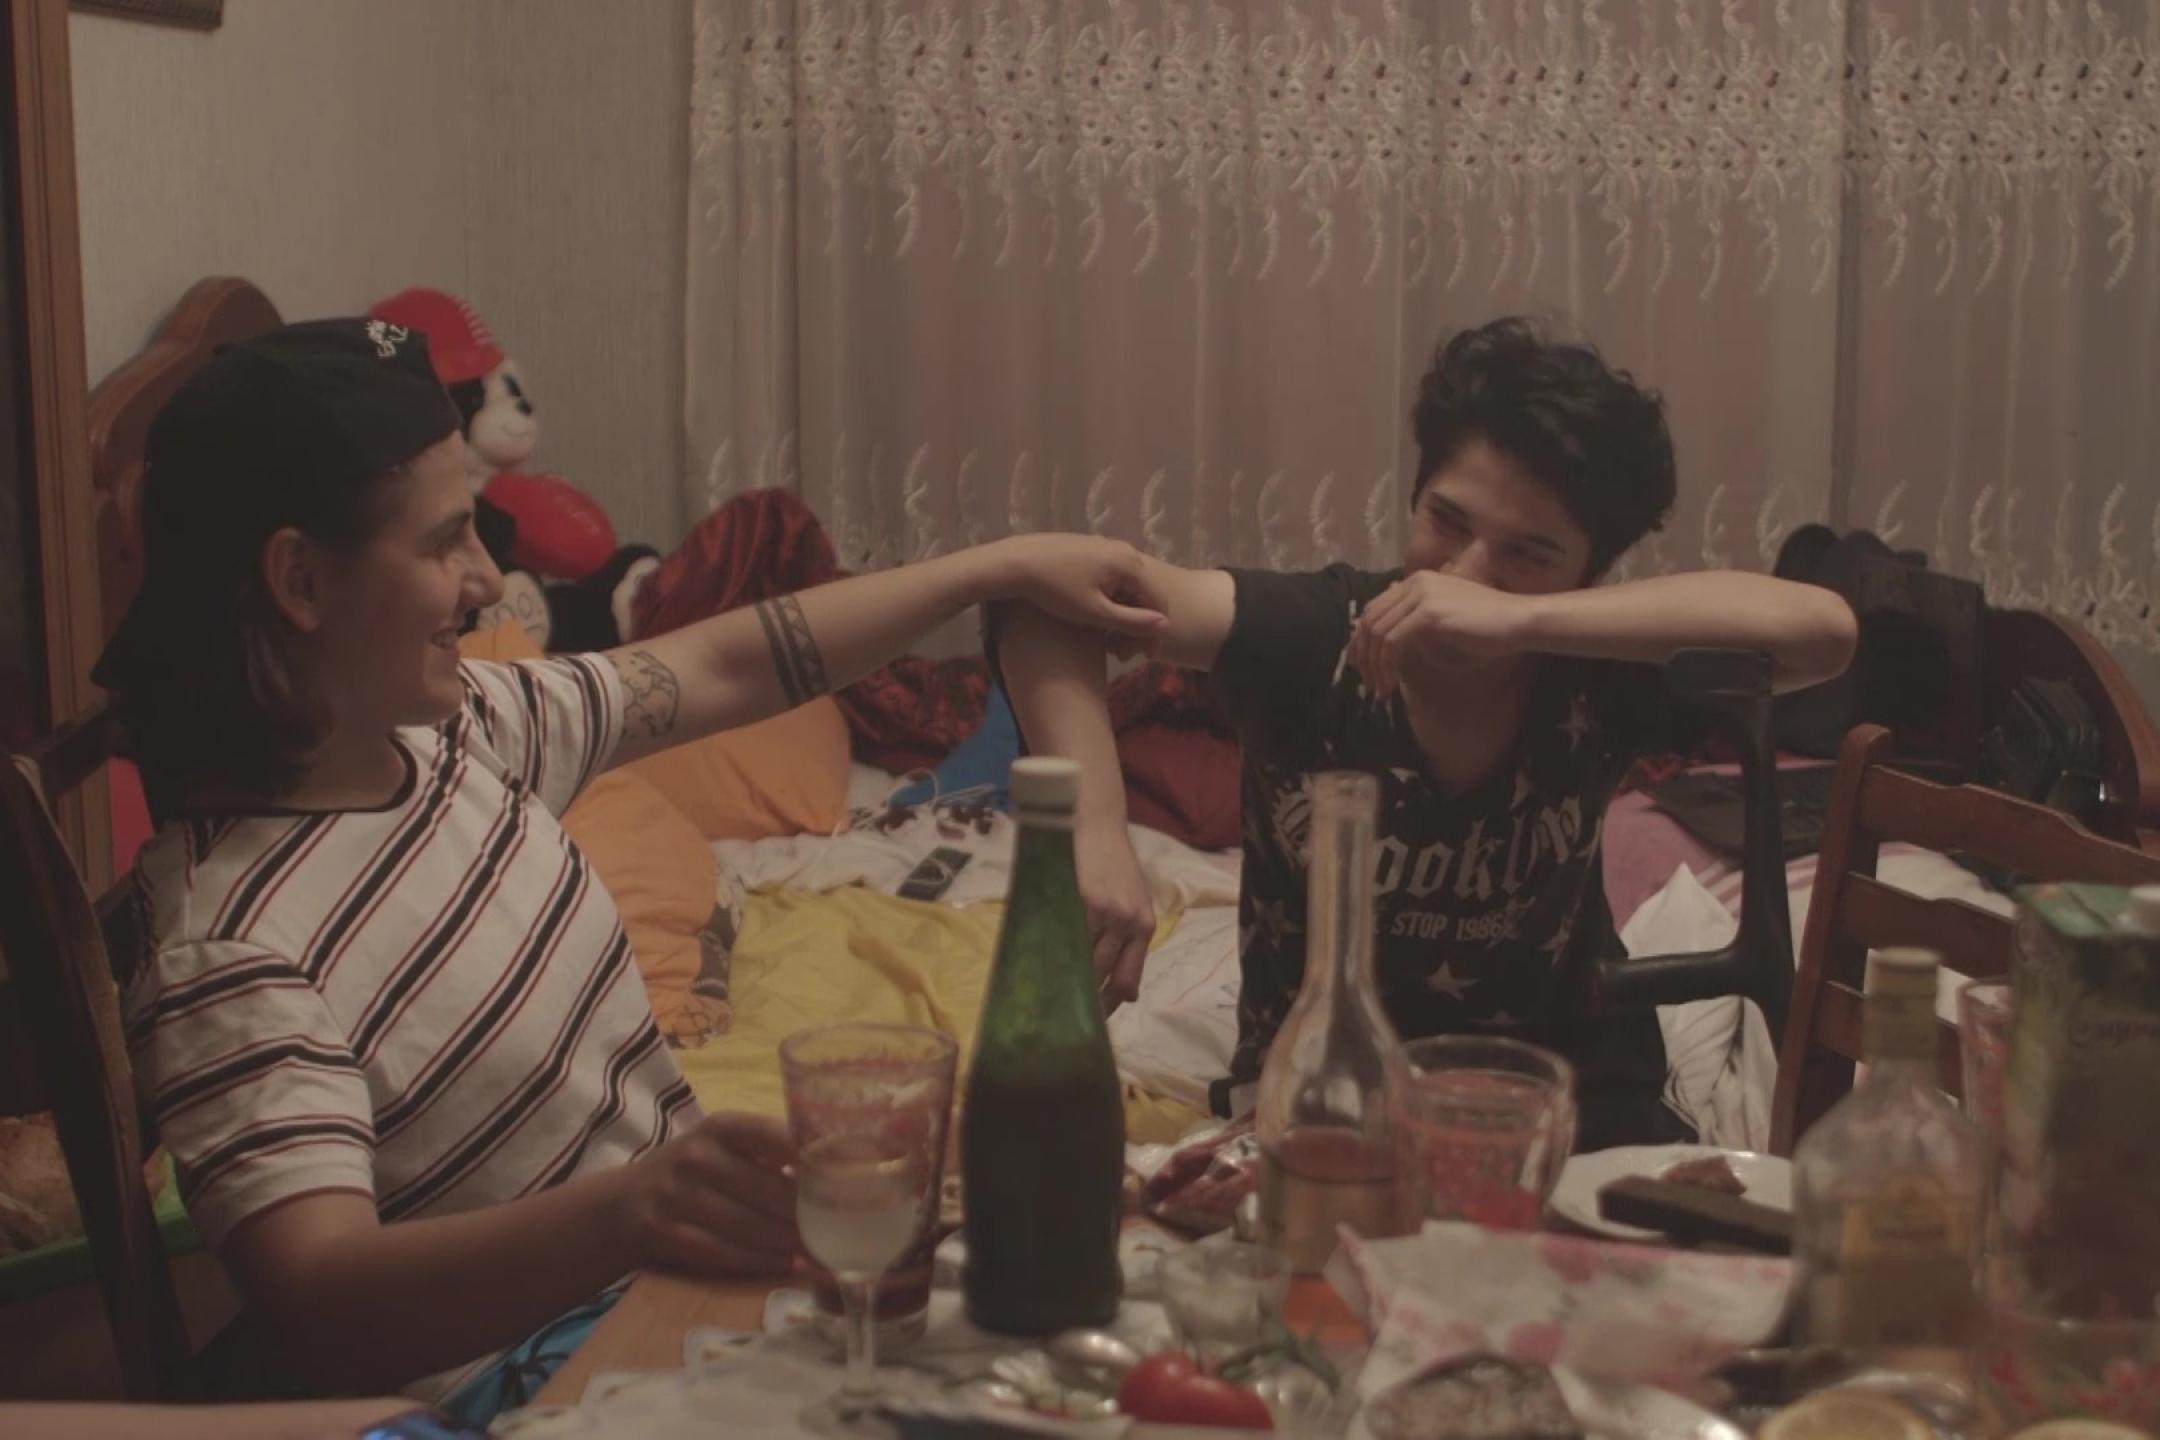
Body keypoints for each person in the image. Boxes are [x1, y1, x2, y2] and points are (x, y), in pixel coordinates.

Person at [95, 319, 1166, 1421]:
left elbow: (721, 659)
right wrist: (629, 1214)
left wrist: (994, 570)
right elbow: (322, 1301)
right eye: (444, 542)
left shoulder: (456, 732)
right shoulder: (226, 945)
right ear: (300, 580)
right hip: (558, 1388)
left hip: (694, 1309)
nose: (488, 578)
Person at [995, 317, 1858, 1146]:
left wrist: (1520, 625)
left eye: (1527, 554)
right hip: (1327, 1104)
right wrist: (1097, 828)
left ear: (1587, 577)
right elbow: (1045, 601)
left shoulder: (1599, 664)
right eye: (1447, 522)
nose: (1463, 574)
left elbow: (1823, 631)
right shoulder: (1313, 632)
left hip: (1574, 1109)